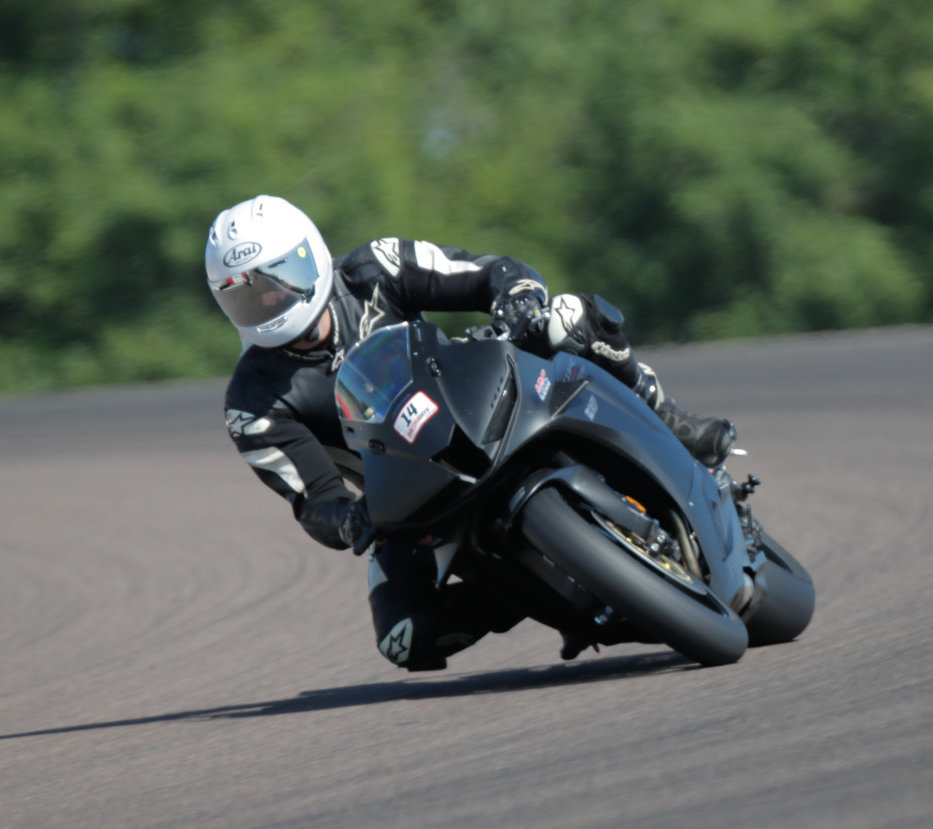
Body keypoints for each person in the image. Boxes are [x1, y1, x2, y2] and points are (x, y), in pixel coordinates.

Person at [208, 195, 735, 670]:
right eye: (247, 294)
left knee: (569, 317)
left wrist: (516, 298)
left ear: (310, 255)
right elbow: (314, 499)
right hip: (410, 495)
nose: (270, 300)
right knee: (403, 638)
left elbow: (488, 272)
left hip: (476, 398)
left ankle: (668, 418)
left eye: (276, 280)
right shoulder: (252, 404)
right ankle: (537, 592)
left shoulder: (376, 267)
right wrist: (349, 521)